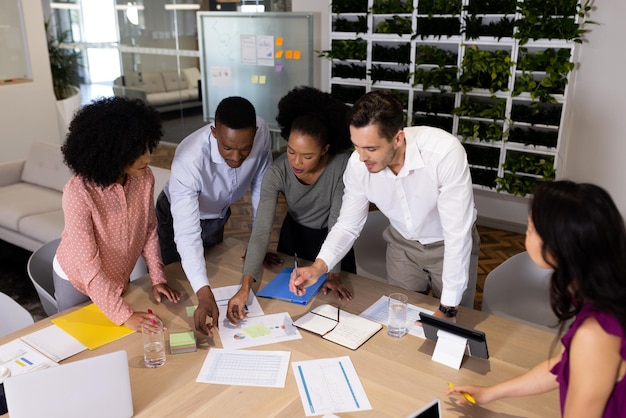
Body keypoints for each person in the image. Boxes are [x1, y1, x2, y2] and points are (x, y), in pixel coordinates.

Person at [289, 90, 480, 321]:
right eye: (356, 146)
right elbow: (348, 225)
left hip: (448, 246)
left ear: (398, 138)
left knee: (455, 324)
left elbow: (457, 235)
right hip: (402, 246)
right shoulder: (358, 165)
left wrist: (448, 309)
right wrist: (319, 267)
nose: (361, 158)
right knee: (401, 321)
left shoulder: (444, 153)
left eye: (371, 149)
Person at [446, 180, 626, 417]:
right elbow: (565, 364)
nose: (525, 233)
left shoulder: (595, 335)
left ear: (557, 246)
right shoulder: (604, 296)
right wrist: (491, 392)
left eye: (530, 228)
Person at [227, 86, 356, 324]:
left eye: (307, 156)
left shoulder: (342, 166)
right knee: (289, 310)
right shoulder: (276, 172)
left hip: (333, 239)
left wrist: (333, 273)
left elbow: (337, 221)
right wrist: (245, 286)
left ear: (325, 149)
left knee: (334, 311)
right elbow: (261, 230)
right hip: (294, 237)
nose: (296, 162)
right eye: (291, 151)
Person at [54, 96, 181, 332]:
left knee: (121, 340)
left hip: (117, 278)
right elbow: (88, 268)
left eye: (146, 147)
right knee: (85, 344)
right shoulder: (78, 192)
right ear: (111, 153)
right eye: (137, 152)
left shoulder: (144, 178)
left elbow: (150, 229)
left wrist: (157, 277)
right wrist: (124, 315)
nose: (147, 158)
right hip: (78, 281)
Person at [156, 96, 272, 336]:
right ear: (214, 132)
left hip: (218, 215)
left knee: (214, 273)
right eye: (227, 148)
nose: (237, 158)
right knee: (180, 290)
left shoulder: (262, 133)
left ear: (256, 132)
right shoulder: (188, 159)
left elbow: (263, 189)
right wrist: (202, 290)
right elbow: (187, 233)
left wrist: (257, 241)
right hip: (175, 218)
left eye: (245, 149)